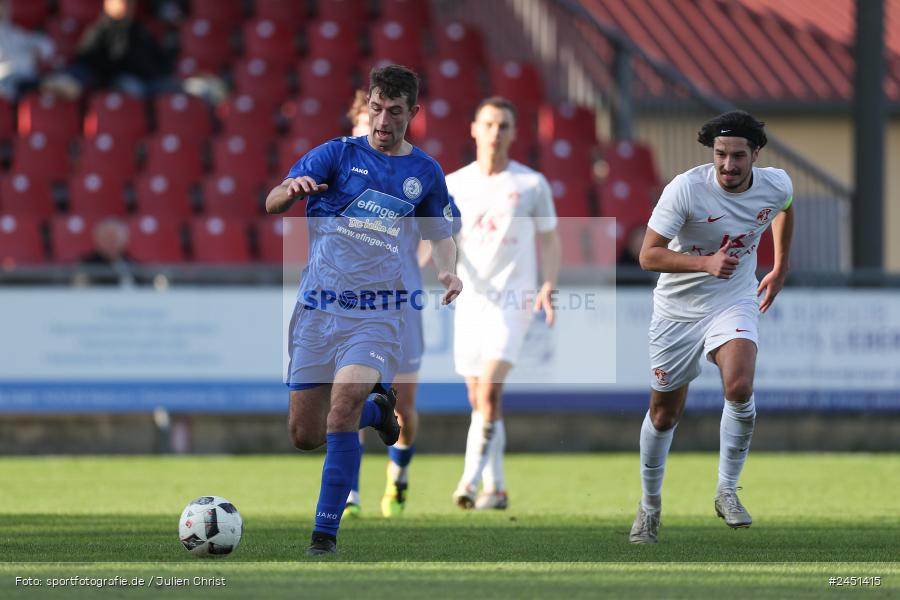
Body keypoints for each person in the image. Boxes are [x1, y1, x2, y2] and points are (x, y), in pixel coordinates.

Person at [265, 65, 462, 556]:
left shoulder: (424, 173)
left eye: (395, 112)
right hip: (318, 309)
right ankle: (379, 410)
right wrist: (290, 191)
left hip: (380, 311)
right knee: (305, 435)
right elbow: (271, 201)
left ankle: (323, 536)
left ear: (412, 114)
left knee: (342, 403)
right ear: (367, 105)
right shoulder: (336, 154)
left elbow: (441, 235)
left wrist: (448, 271)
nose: (382, 121)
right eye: (376, 108)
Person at [628, 110, 794, 544]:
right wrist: (704, 262)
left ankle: (726, 490)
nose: (728, 165)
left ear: (755, 154)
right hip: (677, 311)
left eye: (738, 155)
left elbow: (784, 207)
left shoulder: (776, 184)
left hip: (733, 299)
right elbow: (648, 256)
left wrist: (779, 266)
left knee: (739, 386)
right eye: (721, 154)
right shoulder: (685, 189)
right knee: (664, 414)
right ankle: (649, 508)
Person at [340, 90, 463, 519]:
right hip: (351, 304)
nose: (375, 129)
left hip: (402, 305)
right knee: (348, 398)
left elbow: (447, 225)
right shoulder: (342, 170)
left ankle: (399, 479)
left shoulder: (415, 172)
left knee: (403, 406)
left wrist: (425, 264)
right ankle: (349, 492)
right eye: (365, 123)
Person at [446, 97, 561, 510]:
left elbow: (549, 237)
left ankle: (468, 482)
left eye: (504, 125)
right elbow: (438, 242)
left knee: (490, 393)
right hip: (470, 303)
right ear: (474, 128)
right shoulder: (453, 183)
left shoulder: (531, 184)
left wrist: (549, 283)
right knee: (480, 401)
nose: (496, 132)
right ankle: (497, 489)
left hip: (515, 301)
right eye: (489, 124)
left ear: (514, 133)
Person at [42, 0, 175, 99]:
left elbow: (159, 60)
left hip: (149, 79)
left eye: (128, 3)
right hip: (119, 79)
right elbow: (88, 57)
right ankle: (65, 82)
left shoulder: (140, 30)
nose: (124, 5)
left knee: (173, 86)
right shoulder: (100, 29)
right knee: (129, 86)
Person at [0, 0, 55, 100]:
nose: (1, 9)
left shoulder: (11, 31)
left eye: (3, 5)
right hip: (7, 85)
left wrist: (39, 52)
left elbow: (46, 45)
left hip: (25, 80)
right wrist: (27, 58)